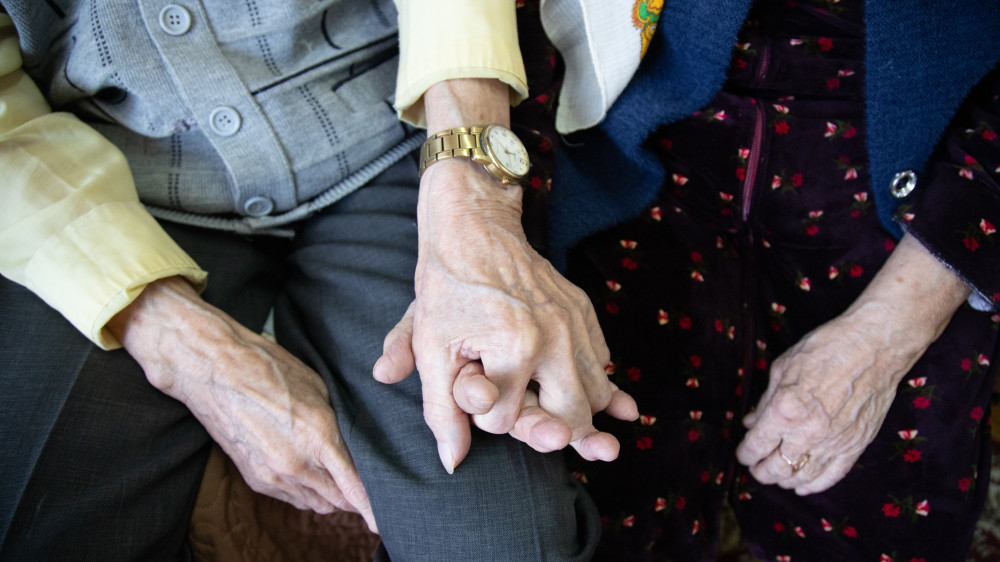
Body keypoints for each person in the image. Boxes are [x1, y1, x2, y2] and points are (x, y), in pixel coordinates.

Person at [0, 1, 638, 559]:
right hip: (98, 193)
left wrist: (472, 208)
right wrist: (170, 337)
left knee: (503, 543)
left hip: (391, 135)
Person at [496, 0, 998, 560]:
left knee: (885, 512)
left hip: (918, 179)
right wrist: (500, 213)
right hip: (637, 140)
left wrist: (891, 330)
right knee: (599, 477)